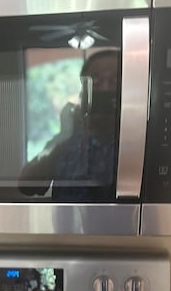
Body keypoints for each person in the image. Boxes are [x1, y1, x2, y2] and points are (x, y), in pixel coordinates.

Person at [19, 49, 120, 201]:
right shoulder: (69, 136)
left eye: (114, 82)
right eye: (96, 81)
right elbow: (27, 186)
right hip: (68, 225)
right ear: (84, 89)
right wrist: (64, 136)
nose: (105, 88)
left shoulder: (137, 140)